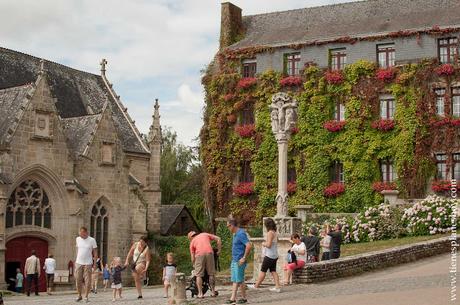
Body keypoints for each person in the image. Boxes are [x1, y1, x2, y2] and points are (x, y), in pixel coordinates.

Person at [248, 218, 281, 293]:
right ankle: (277, 287)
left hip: (269, 255)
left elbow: (269, 245)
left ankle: (256, 286)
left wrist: (263, 243)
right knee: (273, 271)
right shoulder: (275, 232)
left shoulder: (270, 233)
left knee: (263, 271)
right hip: (274, 255)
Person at [188, 230, 221, 298]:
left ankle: (200, 293)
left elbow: (192, 257)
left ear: (191, 238)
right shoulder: (205, 234)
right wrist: (219, 250)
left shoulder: (192, 242)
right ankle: (213, 292)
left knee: (199, 275)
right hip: (209, 253)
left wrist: (194, 264)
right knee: (211, 274)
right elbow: (218, 239)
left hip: (199, 255)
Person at [226, 218, 252, 305]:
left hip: (239, 260)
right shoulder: (235, 234)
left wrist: (243, 258)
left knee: (238, 280)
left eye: (228, 226)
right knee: (237, 280)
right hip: (235, 259)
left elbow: (248, 246)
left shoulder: (241, 233)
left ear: (232, 225)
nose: (228, 228)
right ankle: (242, 298)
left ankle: (234, 298)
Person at [75, 226, 98, 303]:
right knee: (78, 279)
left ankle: (86, 296)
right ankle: (79, 295)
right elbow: (77, 249)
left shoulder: (92, 240)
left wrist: (95, 264)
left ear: (85, 232)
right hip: (79, 262)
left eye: (81, 233)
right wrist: (76, 260)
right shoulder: (77, 239)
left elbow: (95, 252)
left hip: (88, 263)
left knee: (88, 280)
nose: (80, 235)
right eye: (79, 233)